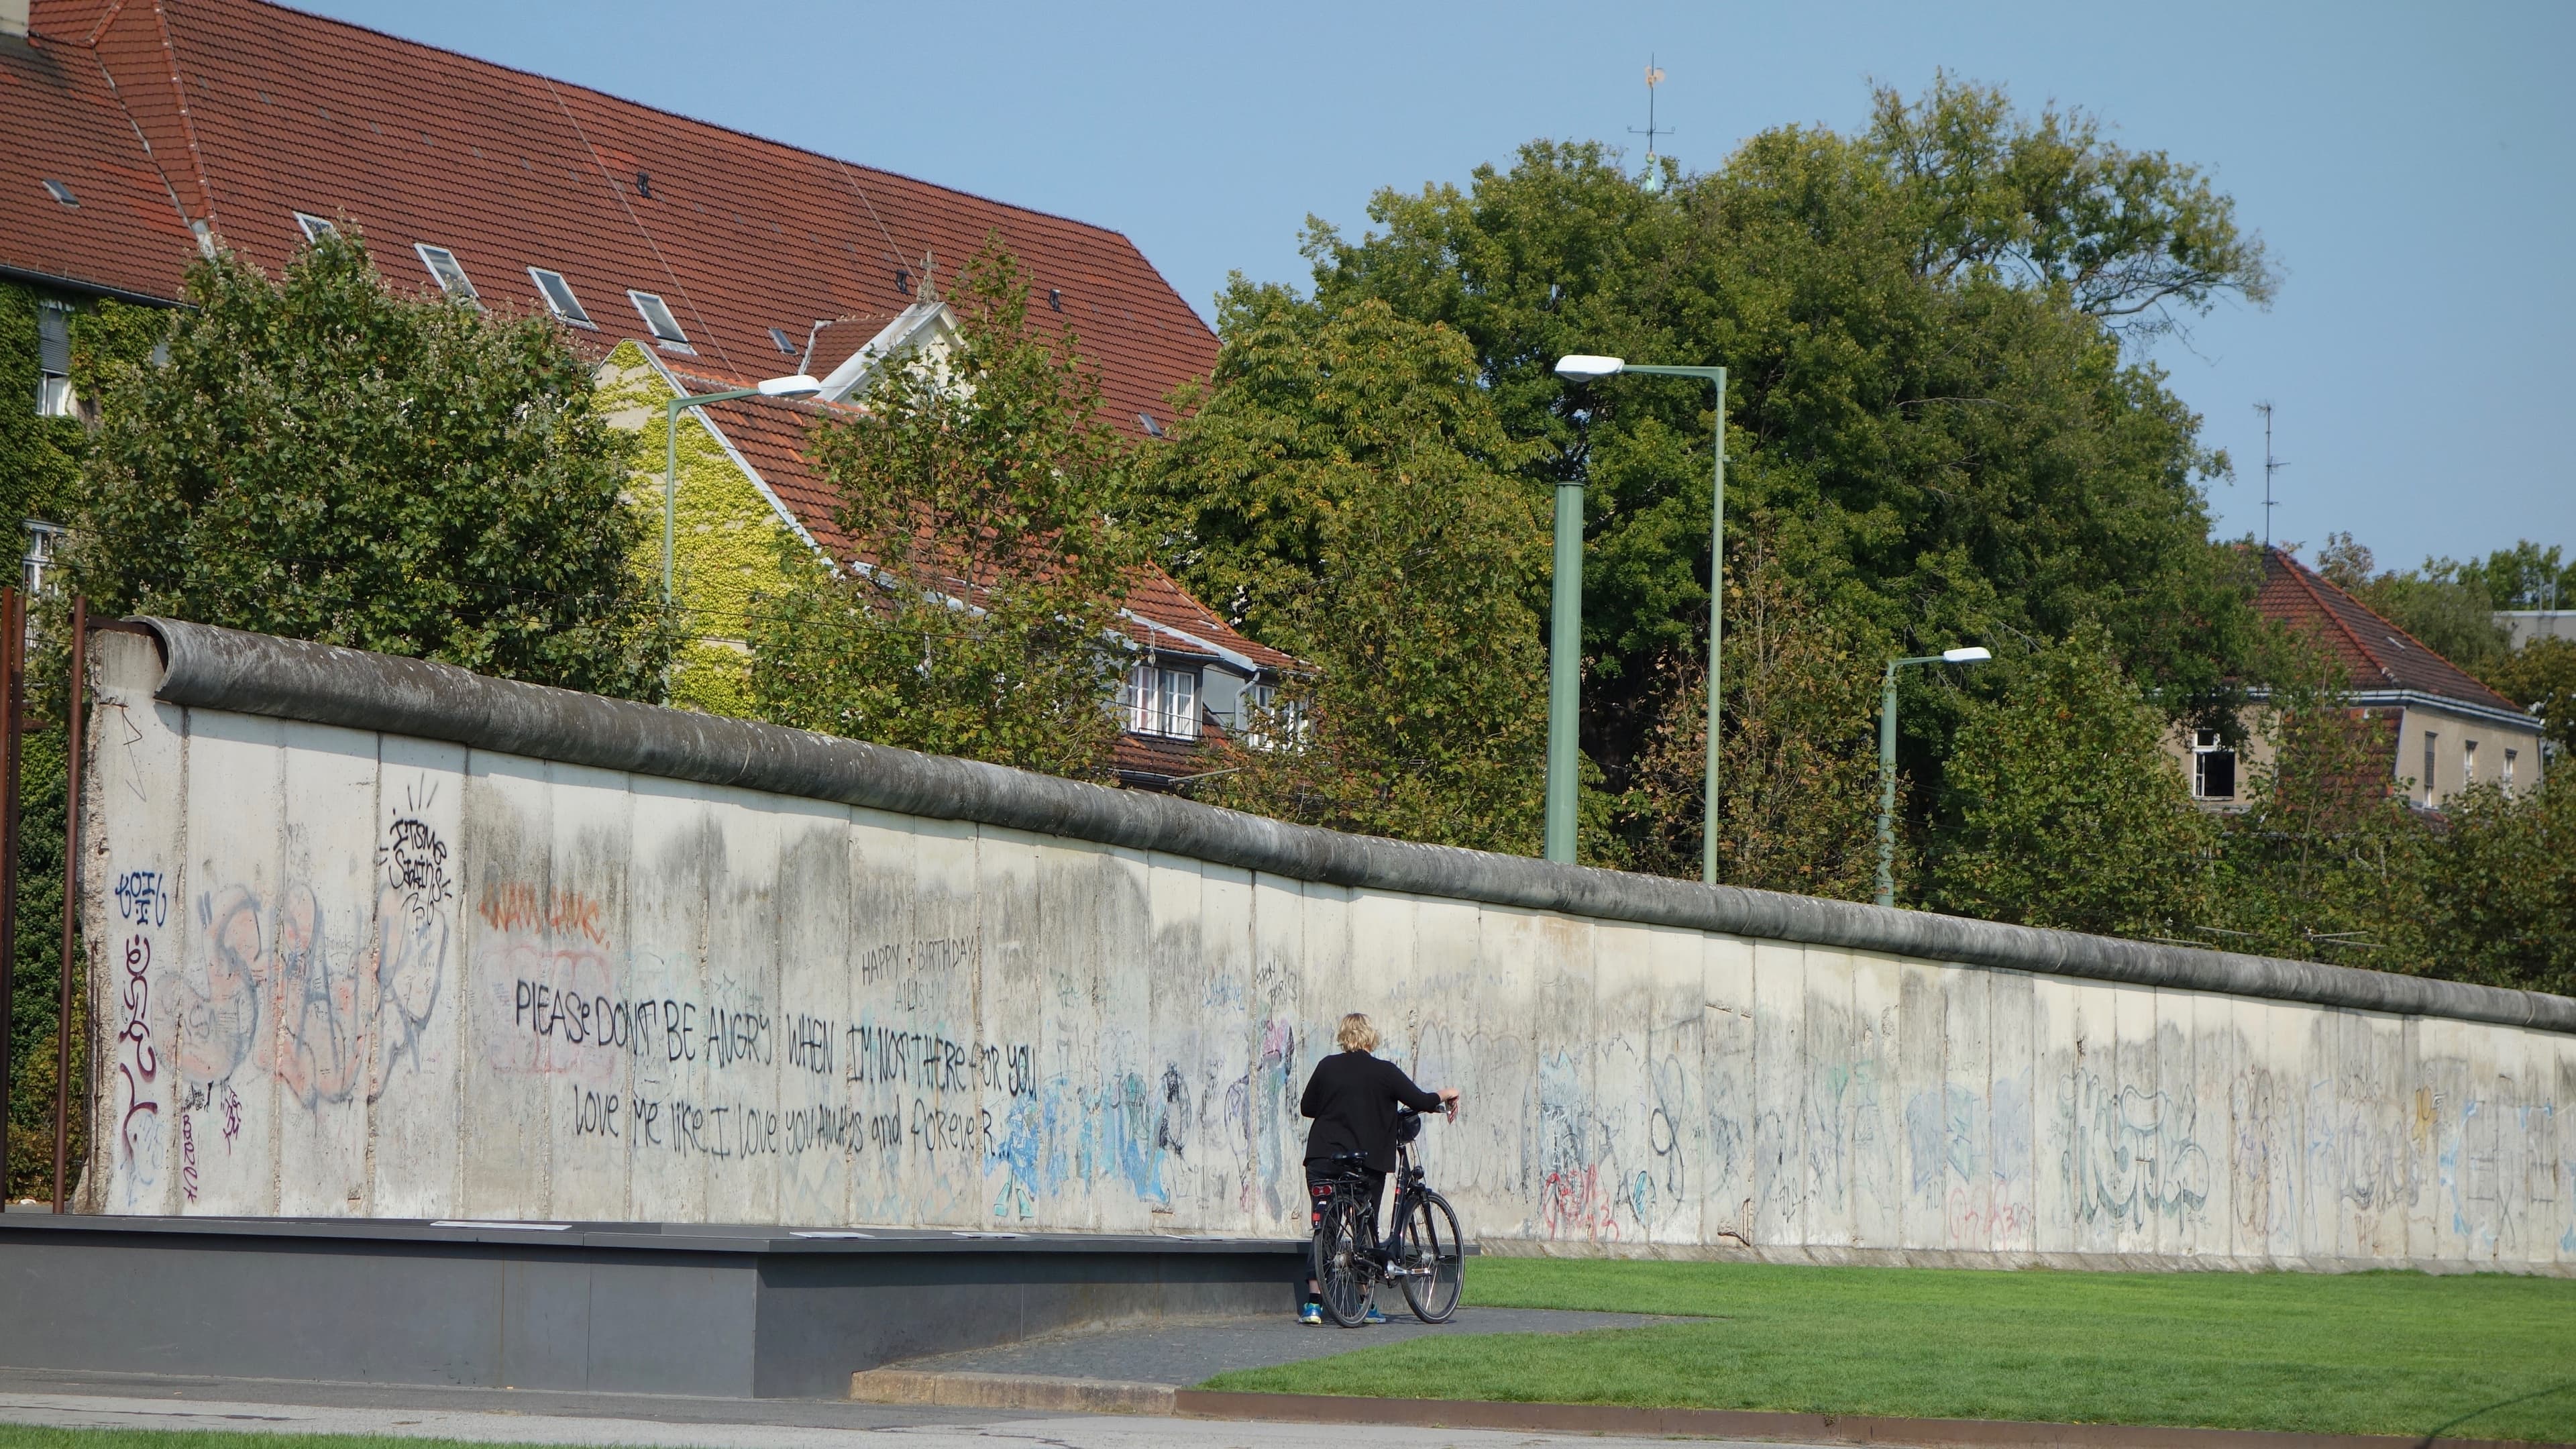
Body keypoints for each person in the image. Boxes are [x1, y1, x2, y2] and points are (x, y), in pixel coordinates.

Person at [1297, 1012, 1458, 1325]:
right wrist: (1447, 1093)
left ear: (1343, 1036)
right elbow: (1422, 1100)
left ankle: (1314, 1305)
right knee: (1363, 1229)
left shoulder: (1326, 1067)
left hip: (1322, 1158)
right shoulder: (1384, 1072)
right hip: (1365, 1162)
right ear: (1371, 1037)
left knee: (1325, 1226)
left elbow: (1307, 1108)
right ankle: (1364, 1303)